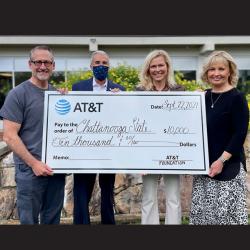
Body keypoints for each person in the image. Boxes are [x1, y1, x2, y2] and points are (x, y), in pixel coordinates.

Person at [0, 45, 65, 224]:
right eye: (38, 62)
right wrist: (34, 163)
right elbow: (9, 136)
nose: (42, 66)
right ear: (30, 64)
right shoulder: (18, 94)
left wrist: (70, 100)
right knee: (28, 221)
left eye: (47, 62)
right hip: (30, 171)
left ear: (53, 66)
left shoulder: (58, 95)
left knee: (52, 221)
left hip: (55, 169)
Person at [189, 50, 249, 225]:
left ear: (229, 71)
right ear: (206, 73)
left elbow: (239, 134)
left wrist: (221, 161)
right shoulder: (202, 97)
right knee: (203, 219)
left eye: (221, 69)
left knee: (226, 219)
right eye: (212, 69)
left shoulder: (237, 98)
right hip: (204, 168)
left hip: (228, 166)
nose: (216, 73)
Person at [72, 50, 126, 224]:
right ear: (91, 66)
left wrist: (121, 100)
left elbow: (125, 118)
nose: (100, 66)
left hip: (109, 149)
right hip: (85, 149)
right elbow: (72, 116)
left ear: (108, 66)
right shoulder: (78, 88)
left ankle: (108, 224)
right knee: (82, 191)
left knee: (107, 191)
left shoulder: (120, 90)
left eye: (104, 63)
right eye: (97, 63)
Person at [136, 49, 184, 224]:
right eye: (153, 66)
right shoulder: (139, 92)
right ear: (148, 69)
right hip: (147, 152)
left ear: (167, 67)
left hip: (172, 151)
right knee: (148, 196)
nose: (157, 69)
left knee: (173, 196)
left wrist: (199, 96)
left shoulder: (180, 90)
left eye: (160, 65)